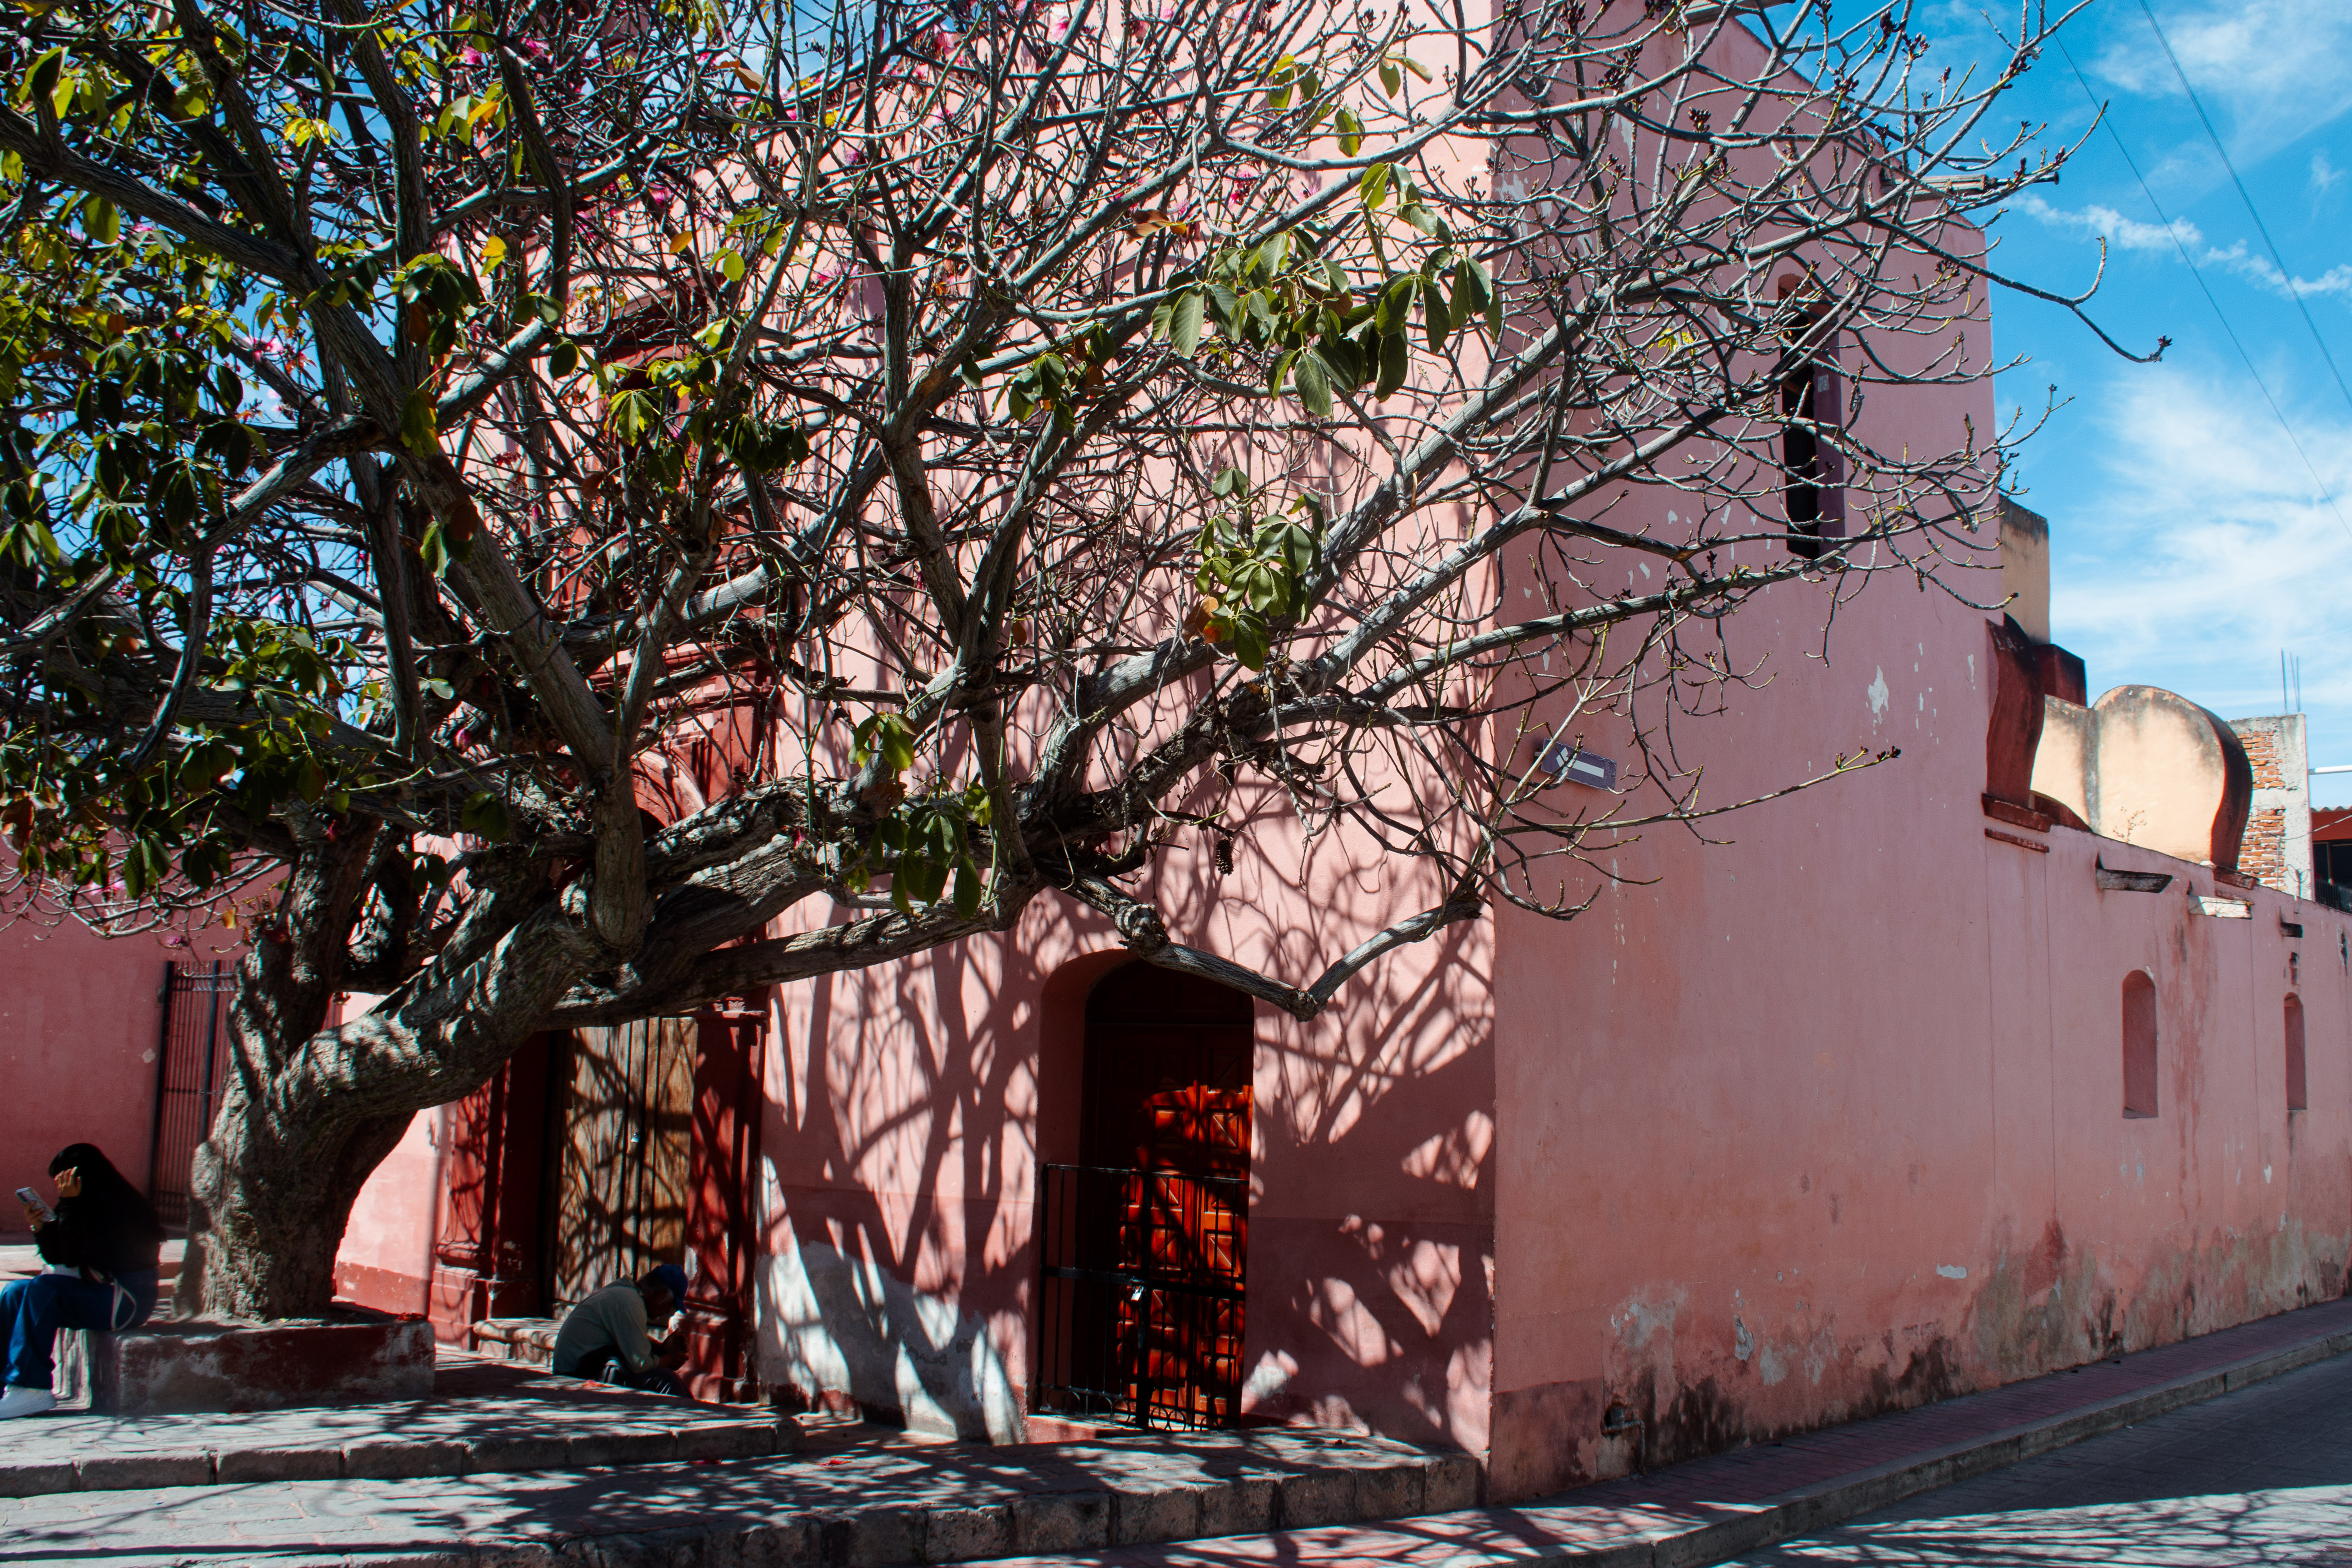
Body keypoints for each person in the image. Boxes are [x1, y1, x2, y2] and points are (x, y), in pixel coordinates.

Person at [2, 1143, 166, 1418]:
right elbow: (60, 1257)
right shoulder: (83, 1204)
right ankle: (7, 1386)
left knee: (45, 1288)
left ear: (81, 1177)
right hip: (99, 1291)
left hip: (127, 1301)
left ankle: (31, 1388)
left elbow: (73, 1257)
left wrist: (70, 1206)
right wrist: (40, 1228)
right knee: (14, 1291)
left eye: (65, 1180)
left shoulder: (125, 1209)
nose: (61, 1188)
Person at [550, 1264, 693, 1397]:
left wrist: (661, 1348)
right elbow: (641, 1364)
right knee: (667, 1380)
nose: (667, 1312)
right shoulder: (631, 1303)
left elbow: (631, 1338)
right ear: (660, 1296)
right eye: (670, 1307)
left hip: (579, 1367)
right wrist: (669, 1360)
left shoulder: (626, 1293)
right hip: (574, 1374)